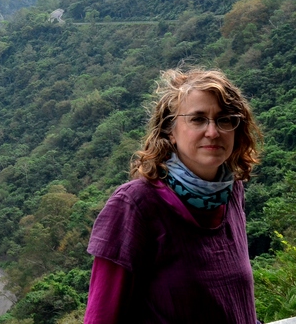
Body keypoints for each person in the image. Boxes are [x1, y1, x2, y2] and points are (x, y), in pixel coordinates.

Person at [84, 68, 263, 323]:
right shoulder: (136, 205)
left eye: (225, 119)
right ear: (170, 130)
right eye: (198, 119)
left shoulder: (231, 191)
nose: (213, 132)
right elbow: (102, 317)